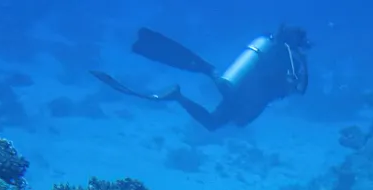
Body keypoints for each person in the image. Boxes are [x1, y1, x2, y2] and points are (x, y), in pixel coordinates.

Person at [91, 26, 309, 130]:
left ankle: (190, 86)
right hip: (249, 99)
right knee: (221, 122)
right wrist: (295, 73)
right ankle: (198, 79)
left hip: (241, 90)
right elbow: (296, 88)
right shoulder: (290, 57)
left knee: (213, 123)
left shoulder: (273, 50)